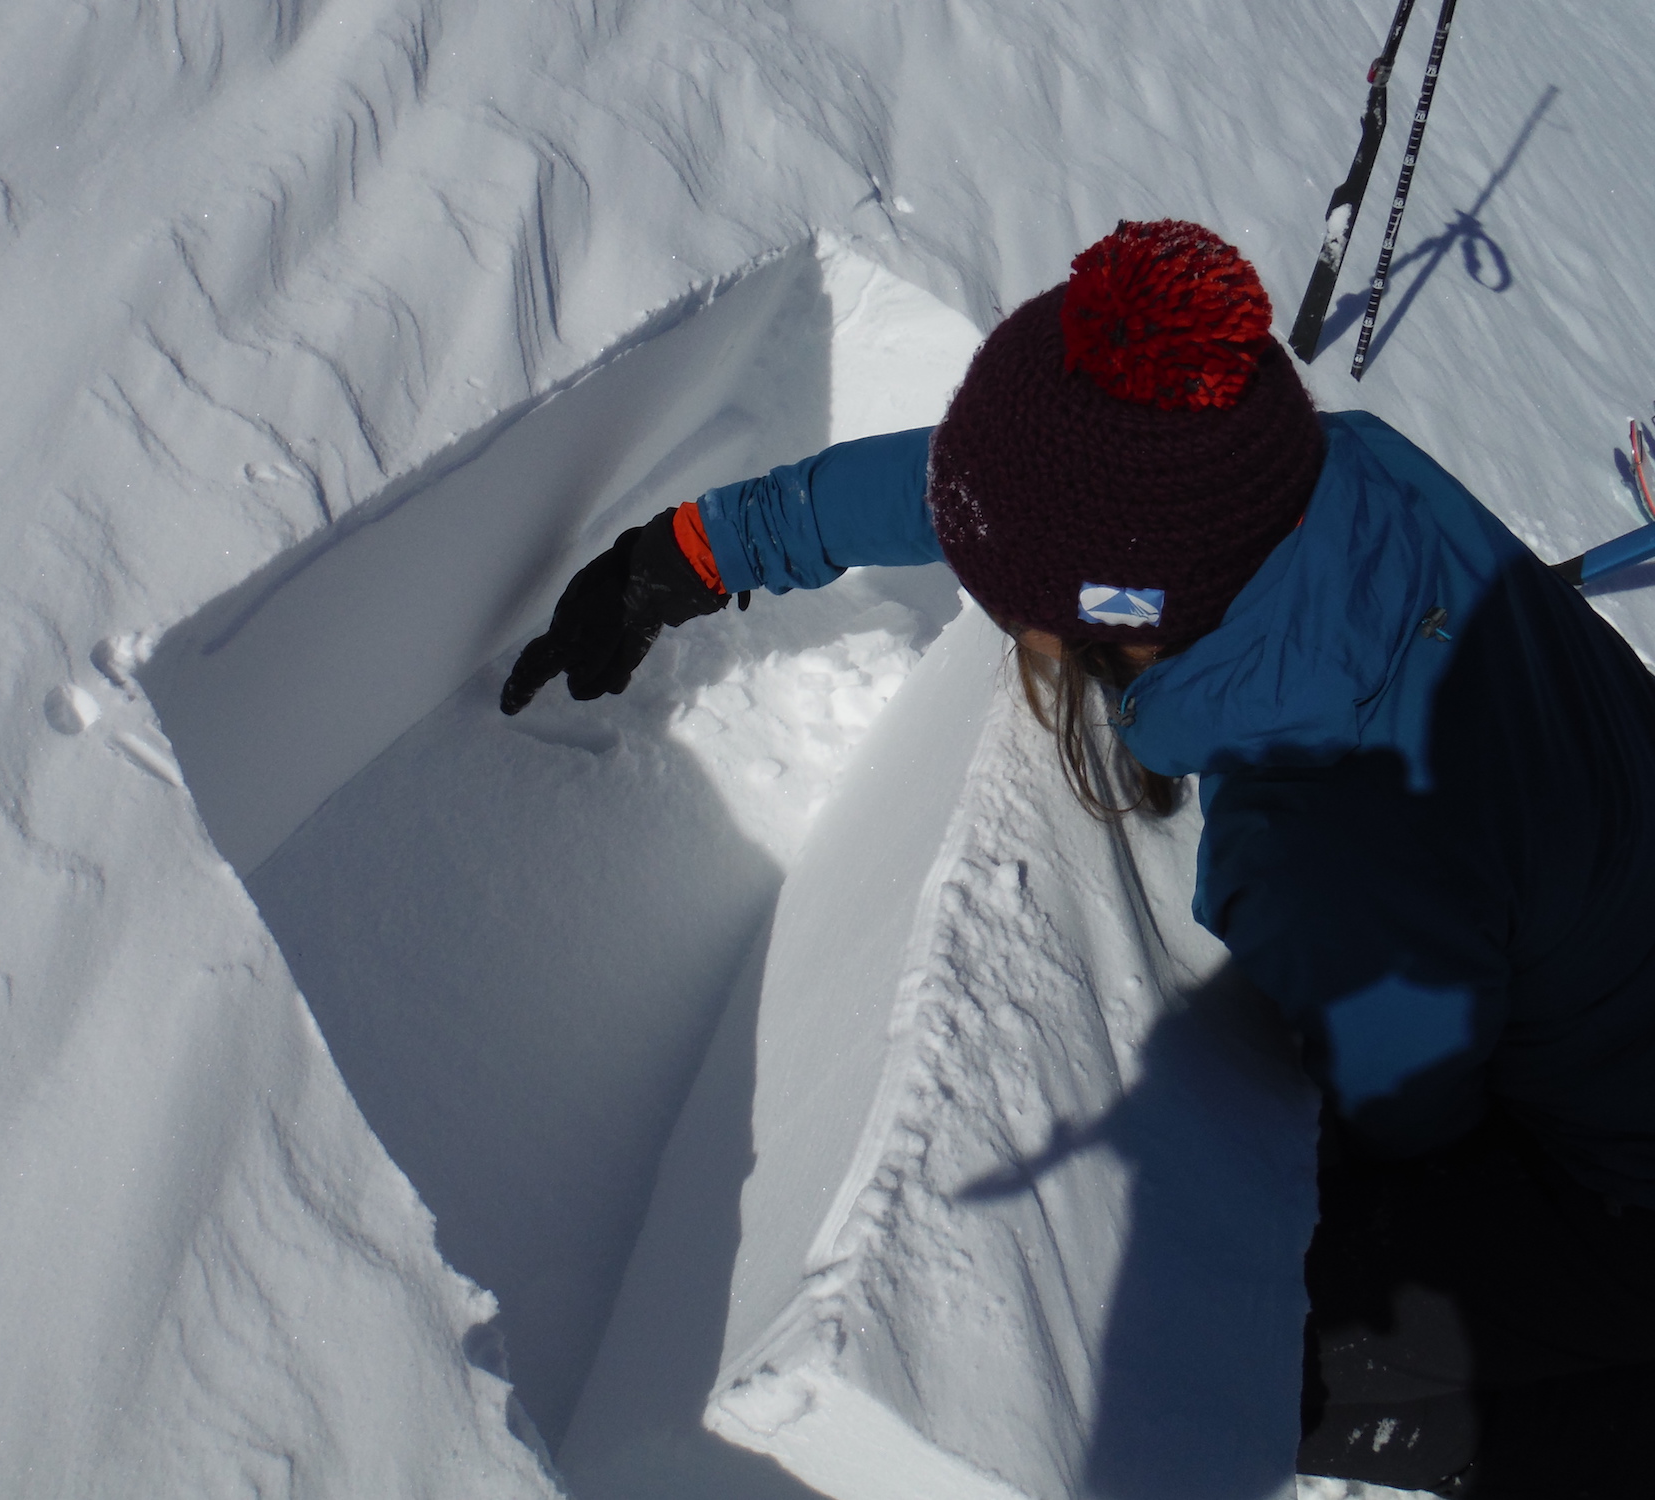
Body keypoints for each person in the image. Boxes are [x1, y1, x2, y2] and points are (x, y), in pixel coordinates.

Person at [500, 220, 1655, 1496]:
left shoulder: (1320, 833)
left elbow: (1411, 1109)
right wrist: (702, 550)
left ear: (1114, 618)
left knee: (1265, 1343)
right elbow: (1008, 507)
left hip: (1621, 1185)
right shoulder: (1318, 475)